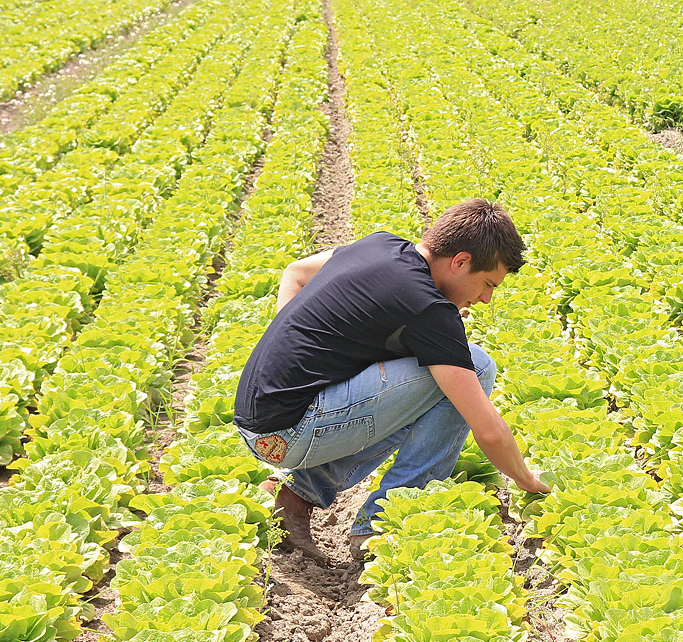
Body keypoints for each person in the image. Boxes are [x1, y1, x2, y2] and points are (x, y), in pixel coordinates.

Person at [233, 199, 549, 564]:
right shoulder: (428, 308)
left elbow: (295, 272)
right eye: (487, 283)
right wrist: (527, 481)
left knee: (422, 373)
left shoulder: (379, 245)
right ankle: (383, 522)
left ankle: (295, 495)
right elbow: (488, 431)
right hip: (291, 434)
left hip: (261, 424)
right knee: (476, 367)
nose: (486, 298)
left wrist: (291, 345)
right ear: (460, 262)